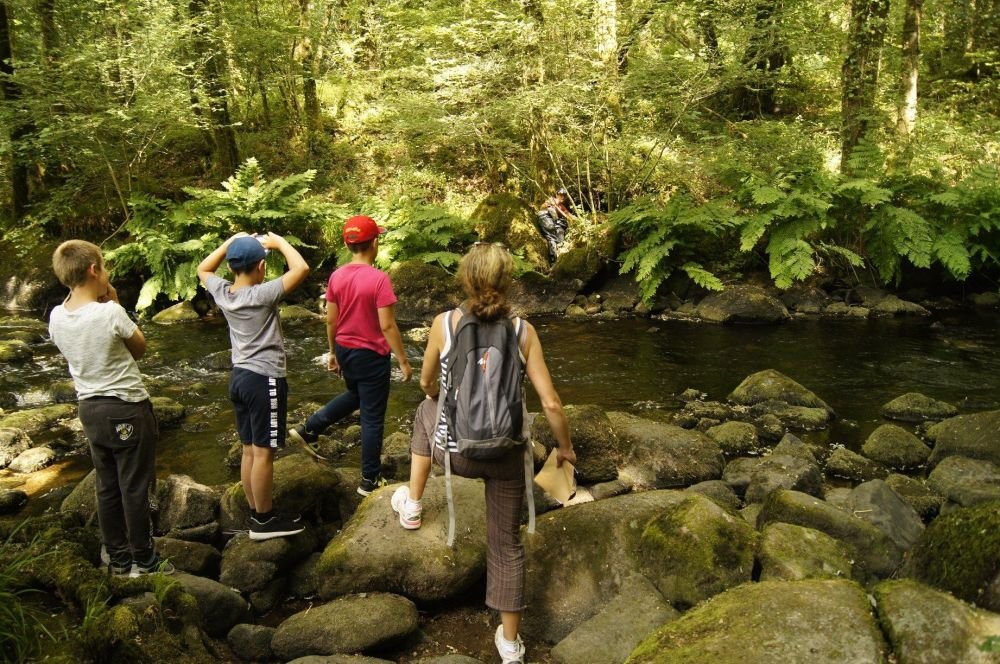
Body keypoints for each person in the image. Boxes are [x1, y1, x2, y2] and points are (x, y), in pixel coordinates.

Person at [390, 243, 576, 664]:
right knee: (506, 544)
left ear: (466, 280)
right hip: (506, 455)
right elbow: (550, 403)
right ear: (507, 282)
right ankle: (510, 646)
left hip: (456, 453)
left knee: (424, 412)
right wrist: (564, 447)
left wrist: (440, 397)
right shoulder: (523, 331)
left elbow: (426, 383)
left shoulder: (445, 324)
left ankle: (413, 505)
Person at [48, 240, 173, 577]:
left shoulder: (57, 316)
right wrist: (115, 302)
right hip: (126, 408)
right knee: (134, 484)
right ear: (93, 270)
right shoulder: (110, 312)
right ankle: (144, 558)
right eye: (104, 267)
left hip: (89, 408)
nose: (107, 273)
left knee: (107, 484)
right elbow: (139, 349)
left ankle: (117, 558)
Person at [288, 215, 413, 496]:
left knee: (356, 394)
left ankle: (310, 428)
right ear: (375, 243)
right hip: (371, 355)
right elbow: (388, 325)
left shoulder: (337, 276)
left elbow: (330, 320)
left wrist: (333, 352)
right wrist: (404, 361)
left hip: (345, 349)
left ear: (348, 244)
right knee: (371, 417)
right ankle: (369, 480)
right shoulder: (379, 279)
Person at [197, 231, 310, 540]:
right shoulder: (262, 294)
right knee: (263, 454)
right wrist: (280, 243)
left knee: (249, 450)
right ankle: (263, 519)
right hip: (265, 380)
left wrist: (230, 242)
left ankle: (255, 509)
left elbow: (203, 269)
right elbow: (300, 269)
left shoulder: (223, 292)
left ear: (232, 267)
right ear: (261, 267)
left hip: (240, 379)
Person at [535, 188, 575, 263]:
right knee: (552, 236)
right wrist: (551, 204)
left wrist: (578, 220)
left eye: (564, 196)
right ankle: (553, 260)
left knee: (560, 235)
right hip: (545, 217)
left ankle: (561, 256)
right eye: (560, 195)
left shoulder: (561, 206)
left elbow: (569, 215)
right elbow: (542, 207)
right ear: (557, 195)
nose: (562, 197)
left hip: (554, 222)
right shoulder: (551, 200)